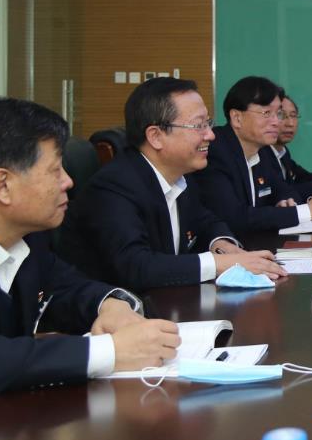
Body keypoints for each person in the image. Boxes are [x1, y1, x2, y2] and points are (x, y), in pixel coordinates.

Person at [0, 97, 180, 436]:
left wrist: (112, 305)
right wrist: (110, 351)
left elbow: (68, 287)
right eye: (55, 170)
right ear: (3, 185)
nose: (68, 182)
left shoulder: (26, 235)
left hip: (2, 425)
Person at [61, 77, 286, 292]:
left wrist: (223, 245)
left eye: (208, 123)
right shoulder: (114, 187)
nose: (211, 135)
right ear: (156, 136)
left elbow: (206, 221)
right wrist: (218, 263)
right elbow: (137, 266)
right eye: (198, 126)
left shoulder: (180, 175)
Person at [190, 76, 312, 234]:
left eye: (278, 113)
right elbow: (234, 218)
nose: (276, 122)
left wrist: (286, 202)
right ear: (237, 118)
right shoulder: (215, 152)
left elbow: (285, 190)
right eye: (266, 113)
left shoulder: (262, 150)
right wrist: (306, 212)